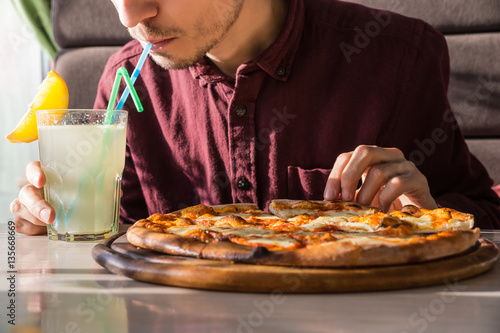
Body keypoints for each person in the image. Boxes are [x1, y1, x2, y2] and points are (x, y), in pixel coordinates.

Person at [11, 0, 500, 235]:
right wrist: (51, 223)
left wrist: (433, 211)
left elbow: (485, 212)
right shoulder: (125, 86)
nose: (130, 13)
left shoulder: (398, 58)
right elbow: (114, 246)